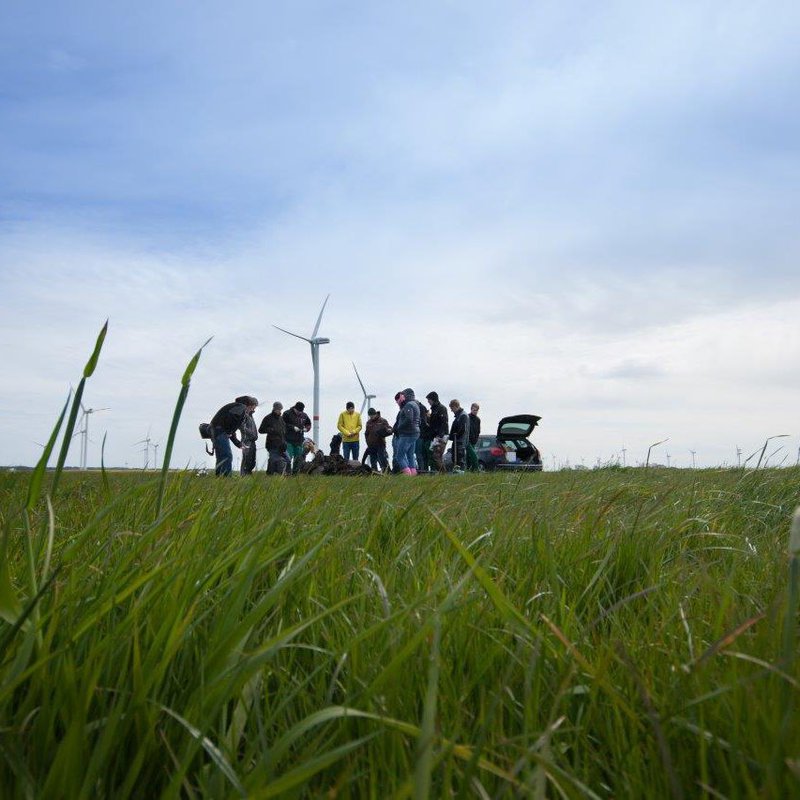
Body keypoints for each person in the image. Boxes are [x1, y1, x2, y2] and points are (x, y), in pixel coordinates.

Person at [209, 396, 258, 476]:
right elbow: (231, 420)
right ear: (250, 405)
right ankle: (226, 477)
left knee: (222, 455)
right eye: (253, 408)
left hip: (217, 430)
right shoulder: (241, 407)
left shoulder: (237, 407)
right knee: (227, 455)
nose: (253, 410)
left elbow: (231, 429)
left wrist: (238, 444)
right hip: (219, 430)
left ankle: (220, 477)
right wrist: (229, 432)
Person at [394, 388, 420, 475]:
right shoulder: (415, 404)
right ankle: (413, 473)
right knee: (410, 455)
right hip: (415, 433)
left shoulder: (408, 405)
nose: (402, 397)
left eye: (403, 395)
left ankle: (408, 476)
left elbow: (409, 419)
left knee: (399, 456)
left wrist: (399, 427)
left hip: (407, 434)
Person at [259, 401, 288, 475]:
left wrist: (284, 442)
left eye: (280, 409)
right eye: (278, 409)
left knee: (287, 459)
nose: (279, 411)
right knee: (273, 460)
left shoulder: (281, 419)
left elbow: (283, 431)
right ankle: (270, 475)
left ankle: (285, 474)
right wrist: (270, 430)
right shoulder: (268, 418)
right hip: (272, 444)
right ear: (274, 408)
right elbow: (261, 430)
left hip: (282, 445)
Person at [283, 401, 312, 474]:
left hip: (299, 440)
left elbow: (308, 424)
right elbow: (283, 424)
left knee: (299, 457)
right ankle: (287, 473)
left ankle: (295, 473)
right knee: (288, 457)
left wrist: (307, 429)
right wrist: (292, 427)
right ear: (295, 408)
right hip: (288, 439)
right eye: (298, 411)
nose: (299, 413)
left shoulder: (304, 415)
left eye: (301, 411)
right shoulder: (287, 413)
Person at [425, 391, 450, 473]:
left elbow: (443, 422)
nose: (428, 402)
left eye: (429, 400)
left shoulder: (441, 408)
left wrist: (440, 435)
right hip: (436, 436)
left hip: (441, 436)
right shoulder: (434, 409)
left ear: (433, 399)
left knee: (437, 456)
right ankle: (440, 472)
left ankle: (443, 473)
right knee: (434, 455)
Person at [363, 408, 393, 472]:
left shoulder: (382, 421)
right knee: (373, 461)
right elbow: (366, 433)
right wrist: (367, 442)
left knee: (382, 459)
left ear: (375, 414)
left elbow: (390, 429)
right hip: (371, 445)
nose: (371, 417)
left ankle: (387, 472)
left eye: (372, 415)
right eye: (370, 416)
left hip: (380, 444)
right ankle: (375, 473)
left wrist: (388, 431)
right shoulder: (368, 423)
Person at [237, 395, 259, 475]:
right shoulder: (244, 414)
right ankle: (244, 475)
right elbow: (241, 426)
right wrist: (251, 434)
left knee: (252, 460)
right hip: (247, 441)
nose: (255, 407)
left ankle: (248, 474)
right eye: (254, 405)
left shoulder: (250, 415)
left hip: (252, 441)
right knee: (247, 458)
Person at [448, 399, 470, 472]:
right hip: (457, 441)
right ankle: (457, 473)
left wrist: (456, 435)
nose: (451, 410)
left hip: (460, 443)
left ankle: (461, 474)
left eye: (452, 408)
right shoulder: (459, 416)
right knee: (455, 459)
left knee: (460, 460)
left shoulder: (463, 416)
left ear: (455, 406)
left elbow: (462, 430)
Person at [415, 399, 432, 473]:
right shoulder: (423, 409)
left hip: (420, 435)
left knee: (419, 454)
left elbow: (423, 424)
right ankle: (424, 470)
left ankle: (422, 470)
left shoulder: (420, 409)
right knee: (422, 455)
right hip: (423, 436)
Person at [467, 402, 482, 472]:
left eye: (476, 410)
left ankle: (470, 470)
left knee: (469, 456)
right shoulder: (467, 417)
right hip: (467, 440)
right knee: (473, 454)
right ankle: (477, 468)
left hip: (474, 440)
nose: (475, 411)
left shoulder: (478, 419)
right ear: (471, 409)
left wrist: (476, 438)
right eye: (474, 410)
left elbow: (478, 430)